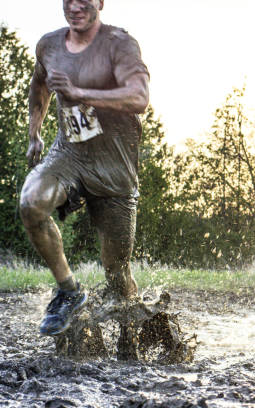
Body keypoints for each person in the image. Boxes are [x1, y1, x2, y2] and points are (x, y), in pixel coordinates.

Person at [19, 0, 149, 344]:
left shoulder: (119, 45)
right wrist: (35, 131)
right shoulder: (49, 45)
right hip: (69, 154)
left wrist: (80, 93)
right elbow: (40, 84)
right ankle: (69, 292)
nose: (75, 6)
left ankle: (130, 336)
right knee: (31, 202)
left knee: (117, 272)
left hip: (115, 167)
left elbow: (139, 96)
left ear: (101, 2)